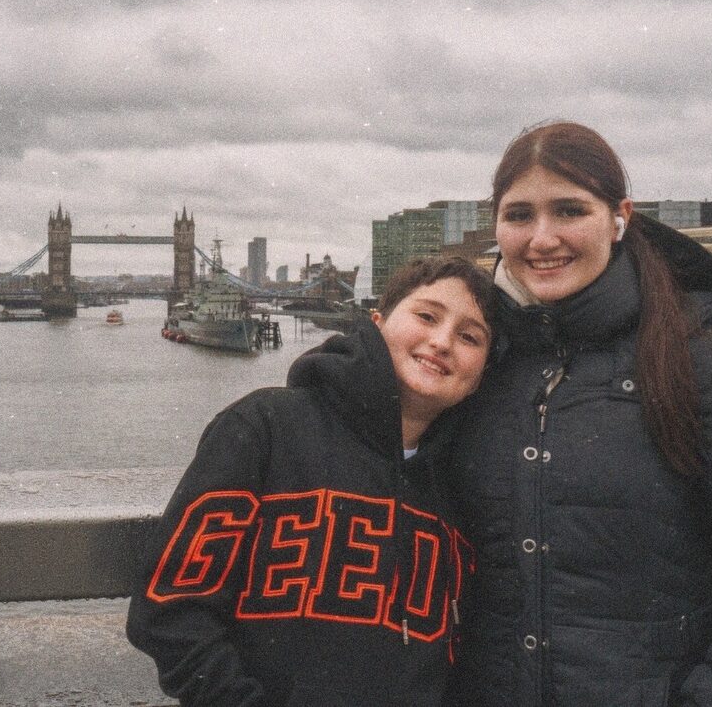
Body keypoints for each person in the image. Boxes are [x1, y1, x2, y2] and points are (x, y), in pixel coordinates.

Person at [444, 121, 712, 706]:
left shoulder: (692, 364)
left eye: (570, 210)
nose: (542, 238)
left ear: (619, 216)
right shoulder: (474, 358)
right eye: (519, 215)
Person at [127, 256, 496, 706]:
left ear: (482, 373)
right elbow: (172, 609)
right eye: (426, 316)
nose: (441, 342)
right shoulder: (264, 427)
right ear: (376, 323)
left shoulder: (469, 487)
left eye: (469, 336)